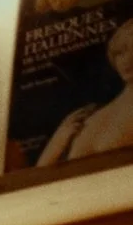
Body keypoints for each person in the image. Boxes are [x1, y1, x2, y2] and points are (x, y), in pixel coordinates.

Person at [37, 19, 133, 166]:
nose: (128, 59)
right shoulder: (87, 116)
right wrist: (56, 144)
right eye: (121, 52)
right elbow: (38, 178)